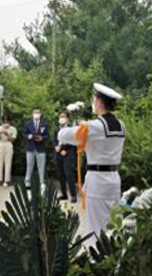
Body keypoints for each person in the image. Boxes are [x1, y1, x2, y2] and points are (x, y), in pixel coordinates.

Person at [58, 83, 125, 239]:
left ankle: (95, 259)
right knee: (113, 224)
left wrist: (77, 124)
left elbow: (63, 135)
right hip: (114, 179)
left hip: (98, 181)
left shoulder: (94, 127)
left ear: (100, 103)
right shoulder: (121, 125)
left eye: (94, 99)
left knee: (95, 227)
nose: (93, 102)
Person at [53, 110, 77, 202]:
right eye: (60, 117)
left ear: (68, 118)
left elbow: (73, 142)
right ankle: (64, 194)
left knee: (69, 174)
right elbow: (54, 140)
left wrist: (63, 149)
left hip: (68, 154)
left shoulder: (72, 129)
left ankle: (73, 195)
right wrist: (56, 147)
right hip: (58, 154)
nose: (62, 118)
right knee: (60, 175)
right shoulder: (56, 129)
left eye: (64, 117)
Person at [22, 108, 49, 189]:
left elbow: (47, 135)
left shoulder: (45, 124)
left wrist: (42, 138)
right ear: (32, 114)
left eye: (38, 112)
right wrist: (28, 136)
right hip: (30, 148)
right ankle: (27, 182)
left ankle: (42, 182)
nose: (36, 114)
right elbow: (24, 134)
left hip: (41, 148)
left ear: (40, 114)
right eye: (35, 112)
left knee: (41, 166)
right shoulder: (28, 124)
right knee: (29, 165)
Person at [0, 116, 17, 187]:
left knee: (8, 163)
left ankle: (6, 180)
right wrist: (0, 134)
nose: (5, 123)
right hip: (1, 144)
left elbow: (13, 140)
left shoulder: (13, 129)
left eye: (7, 122)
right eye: (4, 122)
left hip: (8, 145)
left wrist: (8, 135)